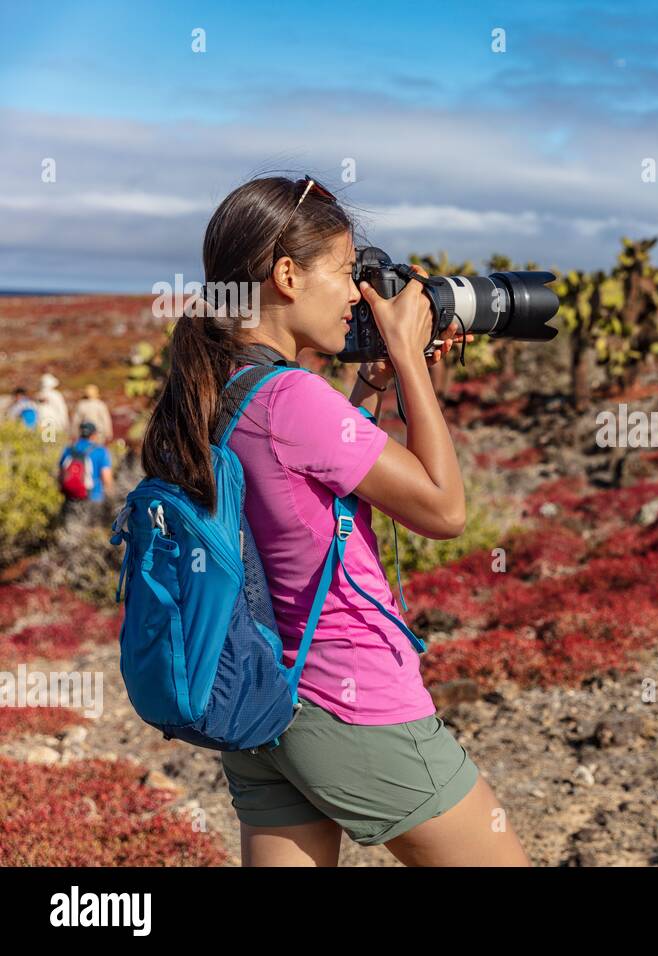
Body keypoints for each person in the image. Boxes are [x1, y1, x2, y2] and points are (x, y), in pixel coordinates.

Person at [139, 175, 528, 867]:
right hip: (353, 704)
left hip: (260, 703)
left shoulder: (214, 388)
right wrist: (409, 358)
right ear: (287, 276)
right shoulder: (292, 399)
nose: (357, 294)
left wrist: (369, 388)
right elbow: (444, 510)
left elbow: (299, 488)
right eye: (347, 272)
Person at [59, 421, 113, 503]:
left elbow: (61, 474)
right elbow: (106, 478)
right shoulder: (101, 451)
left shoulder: (69, 449)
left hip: (70, 497)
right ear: (93, 435)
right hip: (94, 498)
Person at [36, 371, 71, 439]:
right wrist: (65, 422)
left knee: (45, 441)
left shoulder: (39, 395)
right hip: (54, 421)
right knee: (52, 442)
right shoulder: (55, 395)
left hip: (42, 421)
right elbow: (61, 409)